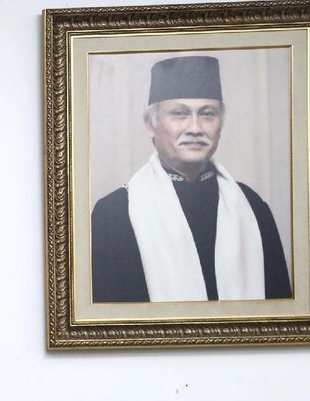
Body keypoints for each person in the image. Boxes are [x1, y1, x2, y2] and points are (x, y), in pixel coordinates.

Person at [91, 56, 292, 303]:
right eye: (180, 114)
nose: (195, 128)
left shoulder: (252, 207)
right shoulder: (113, 214)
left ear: (221, 123)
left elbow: (278, 314)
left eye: (208, 114)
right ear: (149, 125)